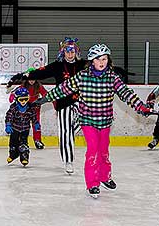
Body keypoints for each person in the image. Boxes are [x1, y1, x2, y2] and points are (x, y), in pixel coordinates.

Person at [33, 43, 152, 198]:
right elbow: (63, 88)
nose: (101, 62)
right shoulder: (82, 77)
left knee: (104, 152)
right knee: (93, 151)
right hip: (88, 120)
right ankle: (93, 183)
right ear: (91, 61)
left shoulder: (112, 78)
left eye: (104, 59)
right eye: (98, 59)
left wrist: (141, 107)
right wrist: (45, 99)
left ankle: (105, 176)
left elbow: (126, 93)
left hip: (105, 121)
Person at [24, 37, 86, 174]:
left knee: (83, 123)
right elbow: (42, 71)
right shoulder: (57, 65)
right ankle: (68, 160)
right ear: (63, 52)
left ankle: (71, 134)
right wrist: (26, 74)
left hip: (82, 101)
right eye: (67, 51)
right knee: (65, 131)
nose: (70, 54)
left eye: (72, 51)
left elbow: (99, 69)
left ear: (76, 52)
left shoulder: (83, 65)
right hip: (63, 102)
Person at [7, 68, 48, 149]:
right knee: (21, 124)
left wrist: (43, 100)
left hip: (35, 108)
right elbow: (15, 92)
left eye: (33, 78)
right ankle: (20, 141)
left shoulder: (39, 86)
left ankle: (37, 140)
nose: (32, 81)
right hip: (24, 108)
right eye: (30, 78)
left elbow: (46, 94)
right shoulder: (23, 85)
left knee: (36, 124)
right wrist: (12, 96)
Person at [5, 87, 38, 166]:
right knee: (13, 143)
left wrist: (36, 123)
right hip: (15, 129)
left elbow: (33, 117)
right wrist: (8, 125)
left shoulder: (30, 108)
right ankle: (13, 154)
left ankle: (24, 157)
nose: (23, 102)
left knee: (23, 143)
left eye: (25, 99)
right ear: (16, 99)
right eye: (21, 99)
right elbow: (9, 116)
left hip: (25, 129)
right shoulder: (13, 108)